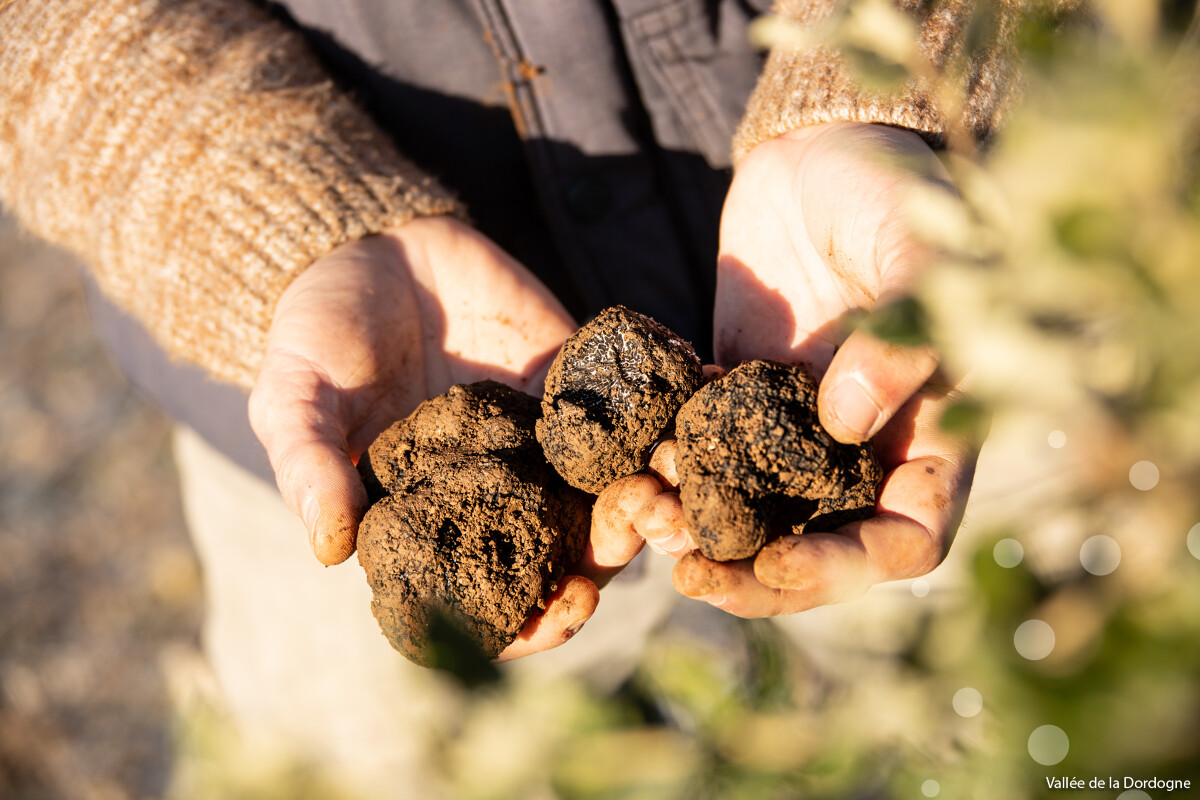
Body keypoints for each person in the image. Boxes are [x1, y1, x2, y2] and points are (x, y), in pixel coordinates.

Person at [0, 0, 1009, 793]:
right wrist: (255, 198)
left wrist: (897, 71)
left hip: (866, 294)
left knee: (1010, 673)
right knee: (370, 758)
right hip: (355, 375)